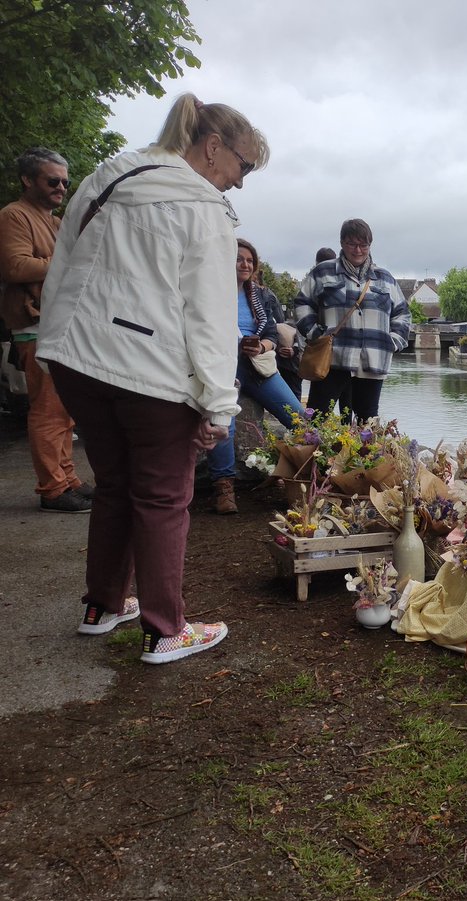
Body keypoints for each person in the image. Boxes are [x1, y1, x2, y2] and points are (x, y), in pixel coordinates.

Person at [38, 92, 268, 663]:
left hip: (77, 356)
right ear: (212, 147)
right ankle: (167, 629)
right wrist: (220, 405)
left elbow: (63, 263)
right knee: (164, 496)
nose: (240, 182)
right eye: (242, 165)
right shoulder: (203, 207)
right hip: (149, 370)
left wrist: (53, 344)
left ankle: (103, 605)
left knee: (115, 483)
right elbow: (210, 316)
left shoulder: (108, 176)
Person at [0, 147, 91, 512]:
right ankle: (53, 490)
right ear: (27, 179)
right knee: (50, 410)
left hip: (57, 325)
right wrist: (67, 261)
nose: (61, 188)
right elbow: (15, 267)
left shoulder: (54, 221)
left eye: (65, 182)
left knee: (65, 411)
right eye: (53, 181)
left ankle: (68, 479)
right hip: (35, 326)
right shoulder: (13, 215)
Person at [206, 238, 302, 514]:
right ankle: (224, 488)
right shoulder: (210, 290)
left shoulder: (260, 295)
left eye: (249, 260)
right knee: (223, 423)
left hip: (257, 366)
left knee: (298, 417)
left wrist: (261, 346)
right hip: (222, 367)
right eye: (238, 259)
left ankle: (299, 476)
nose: (244, 264)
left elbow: (272, 332)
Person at [294, 219, 410, 421]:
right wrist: (316, 334)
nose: (358, 250)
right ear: (342, 243)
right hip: (332, 359)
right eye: (352, 244)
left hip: (372, 361)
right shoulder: (323, 272)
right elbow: (302, 303)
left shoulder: (385, 278)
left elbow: (403, 313)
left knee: (367, 423)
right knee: (316, 419)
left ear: (370, 245)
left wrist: (392, 342)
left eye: (363, 245)